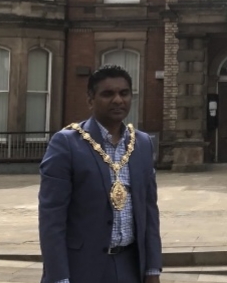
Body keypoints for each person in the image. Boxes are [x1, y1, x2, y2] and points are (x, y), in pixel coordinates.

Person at [39, 64, 162, 283]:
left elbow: (149, 211)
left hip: (130, 266)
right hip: (83, 268)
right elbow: (52, 218)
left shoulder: (142, 143)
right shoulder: (67, 143)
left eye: (124, 93)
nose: (117, 100)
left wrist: (152, 269)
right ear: (90, 100)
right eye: (108, 94)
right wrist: (59, 277)